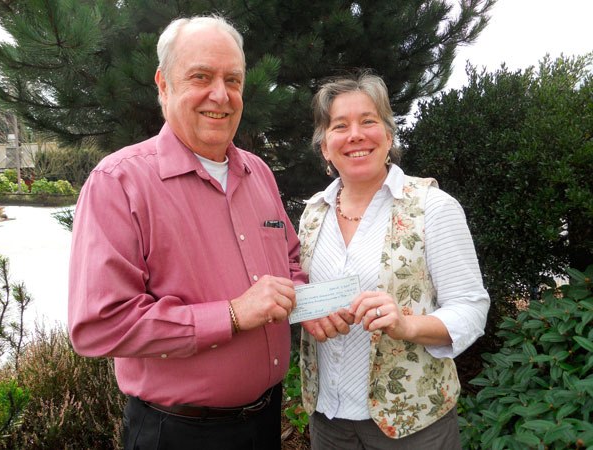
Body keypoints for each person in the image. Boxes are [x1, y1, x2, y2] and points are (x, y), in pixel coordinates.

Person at [68, 15, 307, 450]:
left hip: (265, 420)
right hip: (179, 433)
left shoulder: (259, 174)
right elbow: (99, 326)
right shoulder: (118, 182)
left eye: (233, 80)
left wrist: (317, 302)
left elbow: (290, 264)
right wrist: (231, 315)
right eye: (201, 76)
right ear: (163, 84)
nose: (221, 94)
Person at [297, 72, 490, 449]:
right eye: (340, 125)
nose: (355, 135)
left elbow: (471, 307)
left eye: (368, 121)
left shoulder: (432, 207)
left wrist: (408, 325)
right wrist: (306, 307)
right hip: (328, 420)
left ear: (388, 135)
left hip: (412, 423)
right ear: (325, 147)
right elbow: (302, 289)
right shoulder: (312, 214)